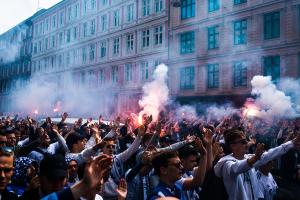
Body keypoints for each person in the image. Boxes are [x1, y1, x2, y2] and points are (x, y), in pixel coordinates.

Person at [214, 128, 300, 200]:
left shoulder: (249, 158)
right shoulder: (227, 163)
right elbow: (236, 168)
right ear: (233, 146)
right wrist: (255, 158)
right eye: (243, 142)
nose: (247, 143)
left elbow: (270, 154)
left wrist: (291, 143)